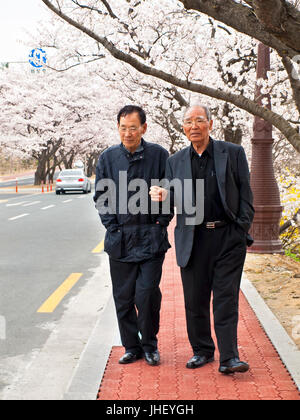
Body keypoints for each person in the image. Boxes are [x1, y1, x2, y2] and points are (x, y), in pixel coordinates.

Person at [150, 104, 254, 374]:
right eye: (188, 122)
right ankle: (202, 351)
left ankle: (229, 357)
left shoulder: (232, 153)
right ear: (183, 128)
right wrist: (164, 197)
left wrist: (240, 230)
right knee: (195, 300)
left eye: (199, 120)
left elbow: (245, 194)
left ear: (210, 123)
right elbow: (173, 198)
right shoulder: (175, 161)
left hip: (227, 237)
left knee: (225, 299)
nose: (193, 126)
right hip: (193, 239)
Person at [94, 105, 172, 366]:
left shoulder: (160, 156)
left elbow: (171, 190)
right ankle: (132, 346)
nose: (128, 133)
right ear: (118, 128)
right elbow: (101, 197)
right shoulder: (107, 158)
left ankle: (150, 345)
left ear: (144, 128)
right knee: (123, 297)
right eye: (123, 127)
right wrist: (112, 227)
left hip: (151, 236)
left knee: (147, 294)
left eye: (133, 128)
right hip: (120, 238)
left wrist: (162, 222)